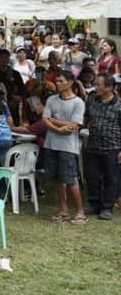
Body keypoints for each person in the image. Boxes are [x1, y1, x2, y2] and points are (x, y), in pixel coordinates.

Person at [43, 70, 87, 225]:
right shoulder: (51, 99)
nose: (58, 83)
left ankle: (80, 211)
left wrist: (54, 121)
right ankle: (63, 210)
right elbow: (45, 120)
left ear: (70, 82)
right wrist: (58, 128)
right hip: (51, 144)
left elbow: (75, 125)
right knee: (58, 179)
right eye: (57, 81)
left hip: (68, 146)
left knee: (70, 179)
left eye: (61, 81)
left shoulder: (78, 103)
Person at [83, 74, 121, 220]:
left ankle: (107, 207)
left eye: (99, 85)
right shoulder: (92, 101)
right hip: (93, 145)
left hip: (112, 147)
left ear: (109, 87)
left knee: (111, 179)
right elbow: (86, 118)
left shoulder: (119, 105)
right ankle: (94, 203)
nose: (96, 87)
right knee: (92, 176)